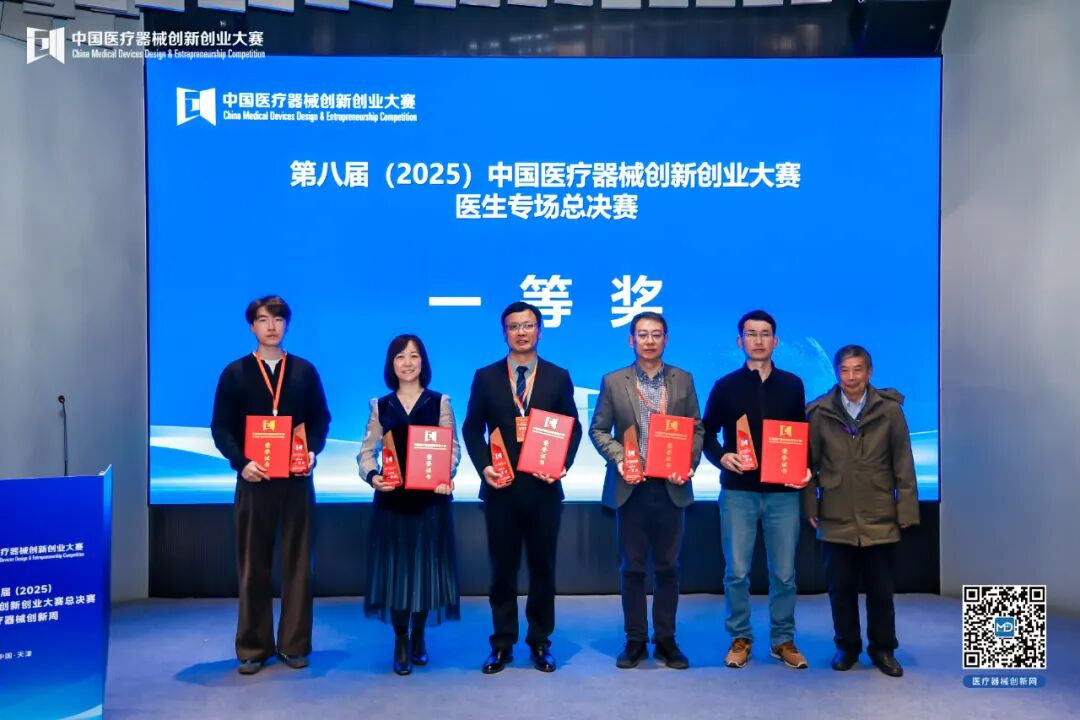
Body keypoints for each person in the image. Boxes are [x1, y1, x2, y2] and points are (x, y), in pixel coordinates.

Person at [210, 295, 331, 675]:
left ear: (287, 324)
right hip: (254, 481)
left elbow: (321, 419)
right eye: (263, 319)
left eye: (278, 319)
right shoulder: (235, 373)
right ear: (252, 326)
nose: (271, 326)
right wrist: (241, 463)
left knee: (299, 566)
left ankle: (295, 645)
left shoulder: (304, 371)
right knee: (252, 566)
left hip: (296, 481)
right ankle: (253, 647)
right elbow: (221, 427)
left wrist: (311, 451)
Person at [461, 301, 582, 674]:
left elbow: (573, 426)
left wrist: (561, 464)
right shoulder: (485, 377)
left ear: (539, 331)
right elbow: (471, 428)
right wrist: (484, 467)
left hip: (544, 489)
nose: (521, 332)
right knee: (503, 570)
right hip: (501, 489)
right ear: (504, 333)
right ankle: (502, 643)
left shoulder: (558, 376)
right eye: (514, 326)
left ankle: (540, 641)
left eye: (528, 325)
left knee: (543, 569)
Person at [589, 311, 704, 670]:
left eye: (656, 334)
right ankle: (635, 640)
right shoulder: (613, 381)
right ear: (631, 340)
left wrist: (688, 463)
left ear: (665, 340)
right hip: (631, 488)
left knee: (669, 567)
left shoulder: (683, 379)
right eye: (642, 334)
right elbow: (598, 430)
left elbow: (697, 428)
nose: (649, 340)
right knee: (633, 568)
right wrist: (621, 459)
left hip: (671, 487)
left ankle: (666, 640)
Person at [702, 309, 811, 670]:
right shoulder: (725, 386)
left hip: (784, 493)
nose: (759, 340)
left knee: (785, 574)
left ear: (775, 341)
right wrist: (722, 457)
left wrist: (805, 468)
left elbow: (800, 434)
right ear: (740, 342)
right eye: (751, 334)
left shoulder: (793, 384)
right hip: (738, 492)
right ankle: (740, 637)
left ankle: (783, 640)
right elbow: (706, 432)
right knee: (736, 571)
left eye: (765, 334)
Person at [804, 344, 919, 677]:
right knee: (840, 589)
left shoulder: (890, 411)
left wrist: (906, 510)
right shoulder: (819, 412)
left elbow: (903, 462)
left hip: (879, 512)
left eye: (858, 370)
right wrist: (810, 504)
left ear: (869, 372)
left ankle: (883, 649)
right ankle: (847, 646)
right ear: (836, 373)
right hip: (835, 513)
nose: (851, 377)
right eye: (844, 370)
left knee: (881, 591)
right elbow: (808, 464)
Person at [358, 334, 461, 676]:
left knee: (425, 571)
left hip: (430, 501)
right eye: (400, 356)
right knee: (396, 573)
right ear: (391, 364)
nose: (407, 363)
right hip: (392, 501)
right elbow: (366, 452)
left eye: (414, 356)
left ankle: (419, 636)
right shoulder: (381, 406)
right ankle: (400, 639)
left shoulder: (439, 402)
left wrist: (446, 474)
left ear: (423, 362)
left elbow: (452, 449)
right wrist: (373, 476)